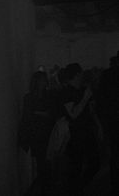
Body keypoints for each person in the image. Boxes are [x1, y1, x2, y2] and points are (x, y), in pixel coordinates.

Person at [60, 63, 100, 196]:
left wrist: (98, 127)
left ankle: (78, 187)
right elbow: (73, 114)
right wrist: (85, 98)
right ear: (76, 75)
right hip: (75, 134)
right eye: (80, 74)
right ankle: (74, 190)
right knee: (76, 167)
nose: (82, 76)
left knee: (95, 162)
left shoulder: (82, 89)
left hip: (87, 132)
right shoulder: (67, 92)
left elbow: (91, 111)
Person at [19, 71, 54, 196]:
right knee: (41, 162)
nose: (44, 82)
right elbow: (28, 115)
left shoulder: (47, 95)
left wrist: (38, 113)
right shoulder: (29, 97)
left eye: (45, 80)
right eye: (42, 80)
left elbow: (51, 113)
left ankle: (47, 187)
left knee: (46, 162)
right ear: (37, 81)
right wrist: (42, 114)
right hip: (37, 134)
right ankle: (45, 188)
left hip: (47, 132)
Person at [97, 54, 119, 196]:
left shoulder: (107, 75)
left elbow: (102, 101)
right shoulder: (108, 76)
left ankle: (115, 186)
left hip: (112, 122)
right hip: (113, 121)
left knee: (115, 156)